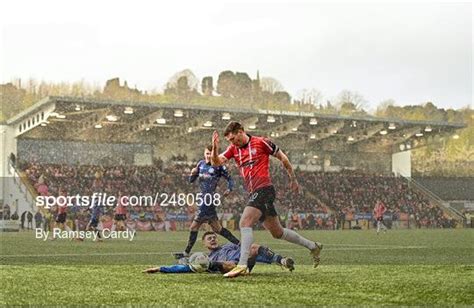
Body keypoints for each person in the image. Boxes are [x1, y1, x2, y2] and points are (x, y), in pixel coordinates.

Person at [211, 121, 322, 278]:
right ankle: (313, 246)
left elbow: (283, 158)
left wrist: (293, 179)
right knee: (277, 232)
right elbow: (216, 162)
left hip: (264, 189)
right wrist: (215, 148)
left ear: (241, 131)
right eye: (229, 141)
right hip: (254, 192)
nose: (233, 142)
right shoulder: (233, 149)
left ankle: (242, 265)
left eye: (234, 138)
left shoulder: (261, 142)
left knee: (244, 222)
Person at [174, 145, 239, 259]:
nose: (209, 156)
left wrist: (229, 189)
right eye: (207, 153)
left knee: (194, 227)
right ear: (204, 154)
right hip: (203, 199)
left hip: (208, 201)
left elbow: (229, 178)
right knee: (217, 229)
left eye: (211, 153)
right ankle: (239, 244)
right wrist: (193, 173)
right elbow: (191, 181)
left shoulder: (218, 166)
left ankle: (186, 253)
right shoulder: (200, 164)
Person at [144, 231, 294, 274]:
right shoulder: (206, 258)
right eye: (209, 239)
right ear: (204, 243)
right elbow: (185, 269)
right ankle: (222, 267)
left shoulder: (229, 246)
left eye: (214, 238)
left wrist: (268, 258)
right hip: (230, 268)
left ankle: (281, 260)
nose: (213, 240)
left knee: (252, 246)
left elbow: (254, 254)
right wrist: (160, 268)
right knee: (225, 264)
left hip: (245, 265)